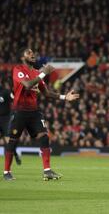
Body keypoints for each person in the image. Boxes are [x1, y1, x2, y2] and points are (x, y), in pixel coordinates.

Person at [3, 48, 79, 181]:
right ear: (22, 57)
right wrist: (44, 73)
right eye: (28, 53)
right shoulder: (18, 70)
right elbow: (27, 85)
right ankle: (6, 172)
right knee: (13, 141)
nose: (32, 54)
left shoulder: (37, 72)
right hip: (19, 111)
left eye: (33, 53)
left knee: (44, 136)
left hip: (34, 112)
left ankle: (47, 171)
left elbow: (47, 93)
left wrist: (64, 97)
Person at [0, 82, 21, 165]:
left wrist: (13, 114)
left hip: (5, 119)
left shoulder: (5, 92)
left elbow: (14, 99)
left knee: (8, 141)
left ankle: (15, 154)